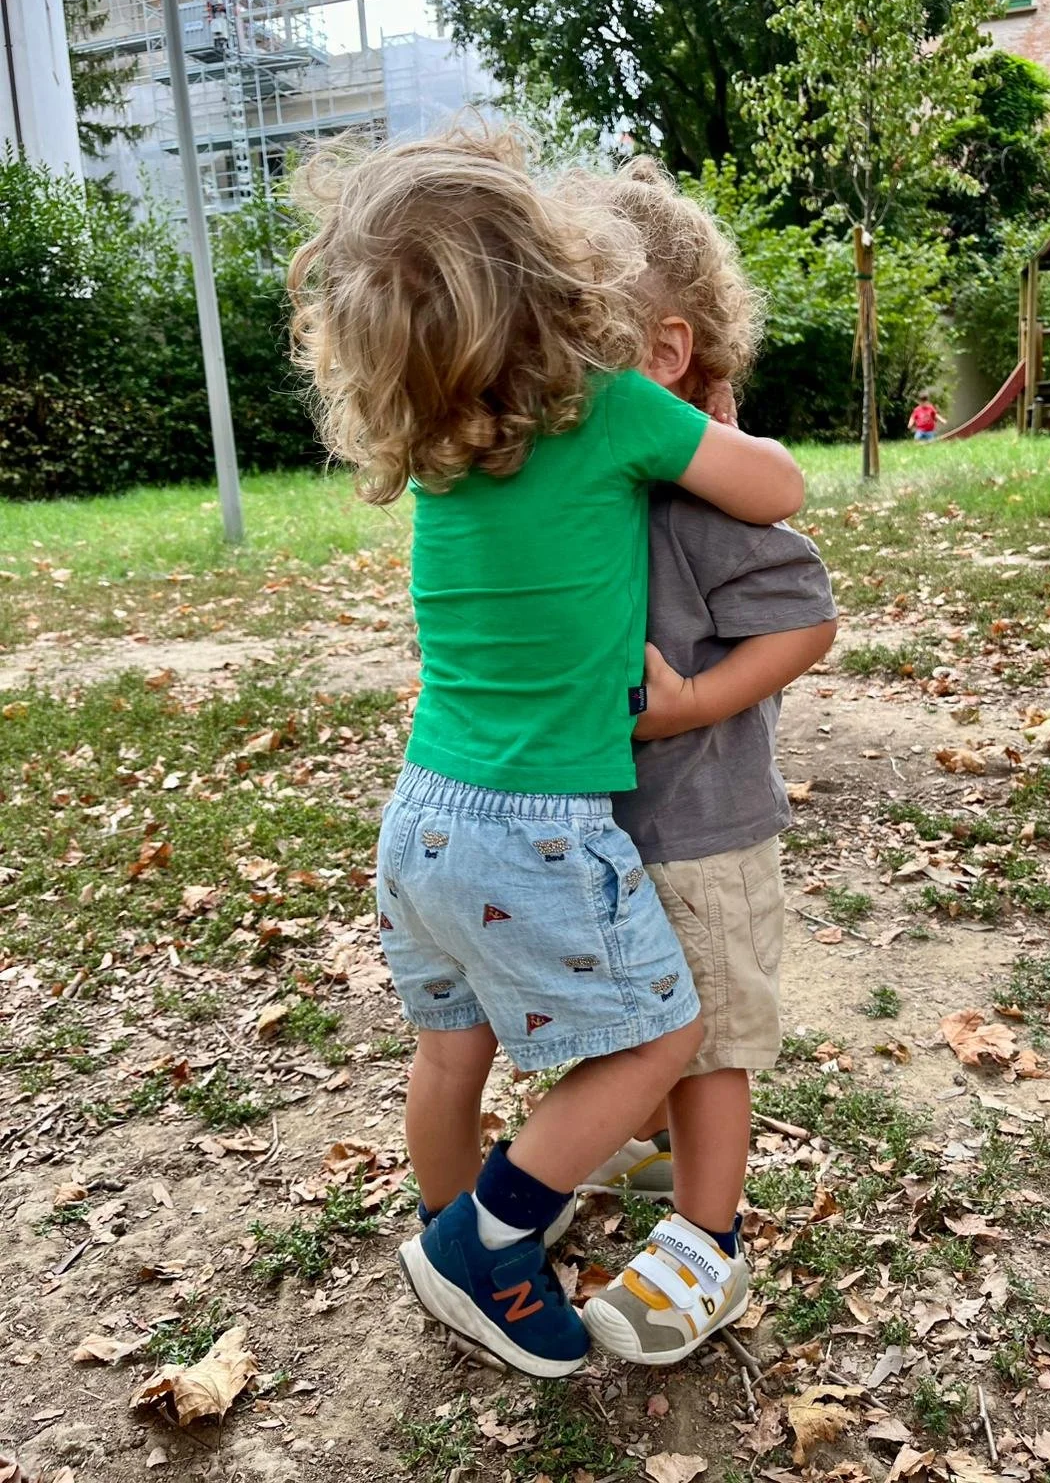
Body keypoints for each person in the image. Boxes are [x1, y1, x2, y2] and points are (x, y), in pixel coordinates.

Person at [287, 127, 807, 1379]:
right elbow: (778, 488)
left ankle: (447, 1219)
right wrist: (715, 423)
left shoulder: (441, 454)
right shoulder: (614, 410)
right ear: (553, 280)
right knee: (663, 1038)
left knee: (448, 1050)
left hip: (421, 815)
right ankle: (484, 1245)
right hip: (534, 824)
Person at [552, 160, 837, 1364]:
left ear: (665, 354)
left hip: (706, 824)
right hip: (603, 822)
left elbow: (807, 620)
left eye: (574, 339)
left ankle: (708, 1241)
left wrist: (694, 706)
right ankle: (659, 1152)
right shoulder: (586, 486)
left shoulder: (705, 494)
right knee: (640, 1009)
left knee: (711, 1033)